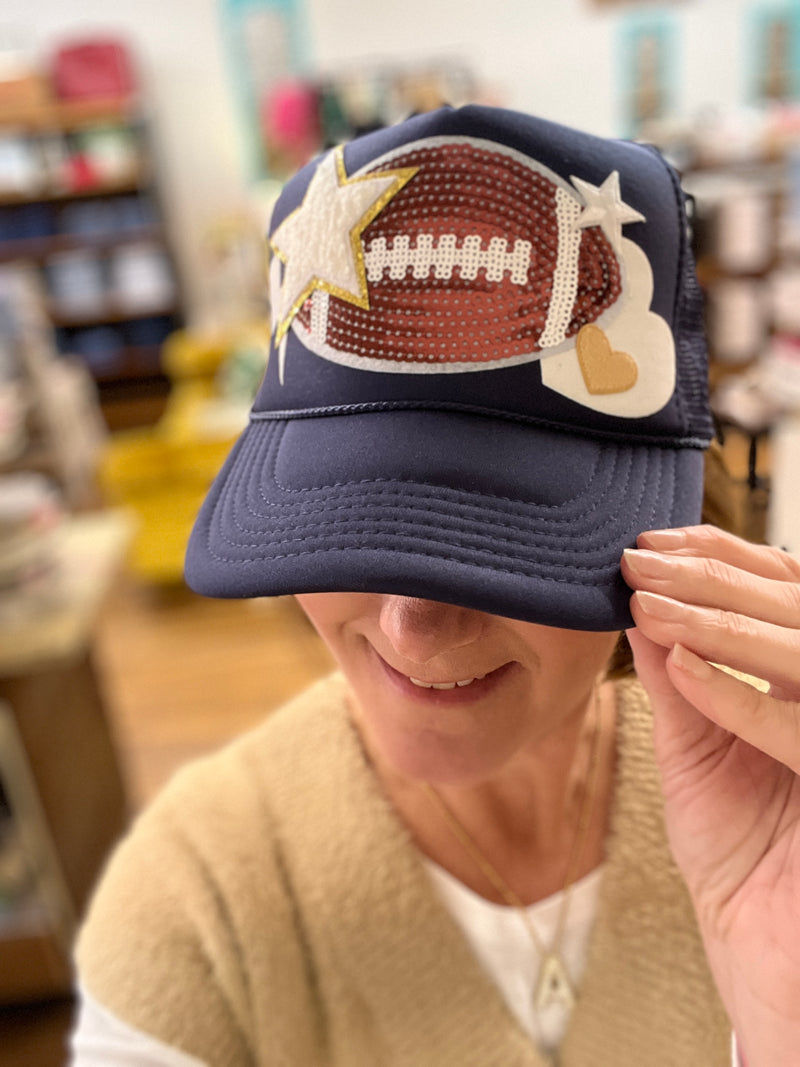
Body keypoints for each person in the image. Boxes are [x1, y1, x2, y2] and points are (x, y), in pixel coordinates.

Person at [70, 105, 800, 1067]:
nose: (413, 628)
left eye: (504, 531)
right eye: (351, 525)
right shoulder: (191, 907)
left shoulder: (773, 806)